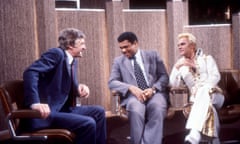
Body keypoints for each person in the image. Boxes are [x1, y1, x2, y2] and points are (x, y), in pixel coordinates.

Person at [22, 28, 106, 144]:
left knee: (99, 111)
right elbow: (30, 72)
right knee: (88, 123)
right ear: (70, 45)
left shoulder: (72, 60)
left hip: (62, 109)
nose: (84, 47)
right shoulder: (56, 54)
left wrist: (79, 88)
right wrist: (34, 103)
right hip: (48, 113)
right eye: (81, 44)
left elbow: (65, 84)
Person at [108, 32, 169, 144]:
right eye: (121, 48)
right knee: (136, 109)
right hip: (133, 97)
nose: (123, 51)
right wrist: (130, 87)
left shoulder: (153, 55)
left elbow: (164, 76)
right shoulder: (118, 61)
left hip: (154, 94)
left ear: (135, 43)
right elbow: (112, 82)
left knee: (157, 107)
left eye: (126, 47)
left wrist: (153, 89)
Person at [169, 32, 225, 144]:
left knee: (203, 91)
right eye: (178, 45)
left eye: (183, 44)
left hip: (216, 96)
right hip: (199, 102)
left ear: (192, 46)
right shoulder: (181, 65)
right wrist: (176, 67)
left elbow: (216, 76)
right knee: (209, 108)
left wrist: (197, 70)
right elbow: (172, 84)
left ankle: (194, 134)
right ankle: (214, 141)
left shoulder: (206, 59)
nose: (179, 47)